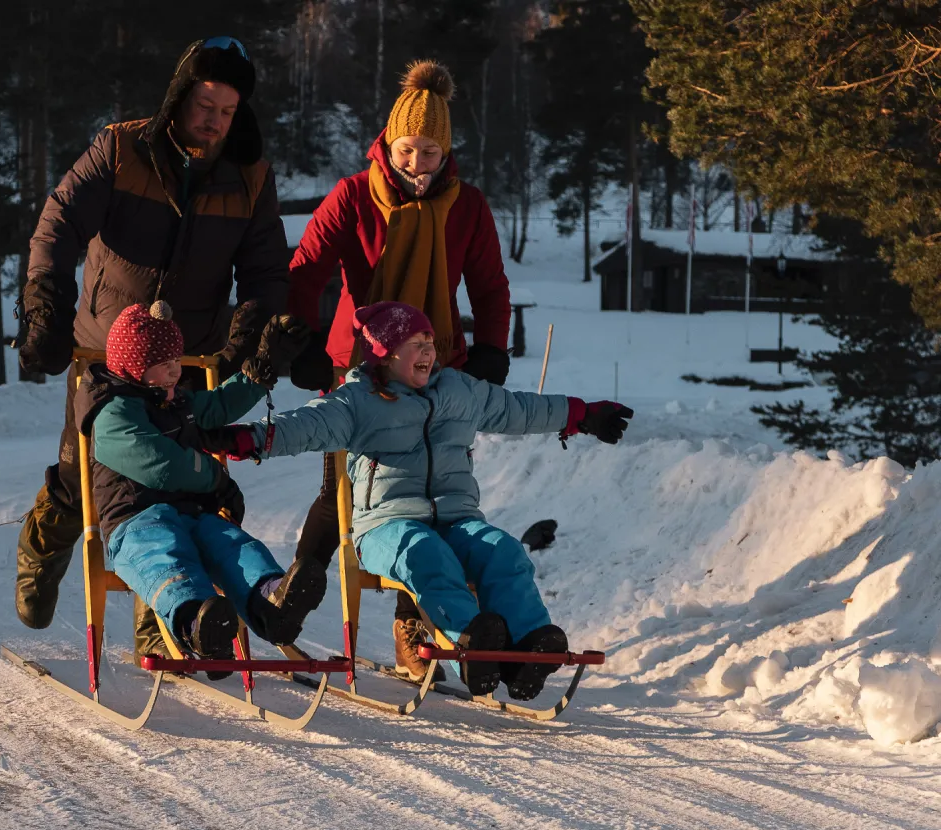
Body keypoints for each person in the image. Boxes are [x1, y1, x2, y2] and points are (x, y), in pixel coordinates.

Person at [12, 37, 291, 658]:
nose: (213, 119)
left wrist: (252, 333)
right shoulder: (120, 149)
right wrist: (44, 304)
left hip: (191, 353)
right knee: (80, 477)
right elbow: (58, 224)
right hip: (105, 354)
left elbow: (268, 268)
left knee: (175, 493)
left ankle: (163, 620)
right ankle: (41, 549)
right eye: (203, 103)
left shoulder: (249, 174)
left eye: (226, 109)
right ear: (179, 97)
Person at [203, 302, 633, 700]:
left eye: (430, 342)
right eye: (416, 345)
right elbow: (305, 426)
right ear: (386, 355)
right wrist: (249, 439)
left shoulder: (459, 391)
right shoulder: (358, 400)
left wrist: (582, 414)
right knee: (428, 554)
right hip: (386, 525)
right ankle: (469, 638)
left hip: (457, 516)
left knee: (502, 549)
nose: (428, 351)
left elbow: (519, 409)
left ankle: (528, 646)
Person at [282, 59, 540, 681]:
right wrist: (303, 340)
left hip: (434, 367)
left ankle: (413, 623)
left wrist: (492, 350)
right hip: (358, 367)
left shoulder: (467, 207)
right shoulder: (351, 196)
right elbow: (307, 269)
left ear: (445, 150)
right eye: (405, 149)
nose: (416, 164)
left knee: (427, 495)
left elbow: (490, 285)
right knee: (341, 488)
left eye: (429, 151)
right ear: (386, 144)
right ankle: (292, 594)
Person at [75, 301, 322, 672]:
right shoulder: (111, 413)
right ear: (134, 368)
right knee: (164, 556)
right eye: (164, 364)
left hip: (192, 512)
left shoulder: (172, 399)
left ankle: (272, 603)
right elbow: (160, 465)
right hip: (136, 521)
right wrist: (216, 478)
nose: (176, 369)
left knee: (233, 546)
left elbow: (218, 406)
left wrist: (261, 370)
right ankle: (198, 624)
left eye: (176, 358)